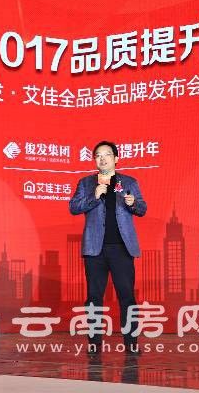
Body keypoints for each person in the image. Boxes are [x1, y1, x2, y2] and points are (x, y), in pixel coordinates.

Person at [69, 141, 147, 354]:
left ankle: (131, 343)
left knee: (127, 296)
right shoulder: (86, 183)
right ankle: (94, 344)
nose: (102, 159)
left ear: (116, 158)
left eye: (107, 155)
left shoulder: (129, 182)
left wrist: (132, 203)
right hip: (95, 249)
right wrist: (94, 196)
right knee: (94, 297)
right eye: (98, 155)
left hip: (121, 248)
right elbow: (73, 207)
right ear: (95, 160)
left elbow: (142, 208)